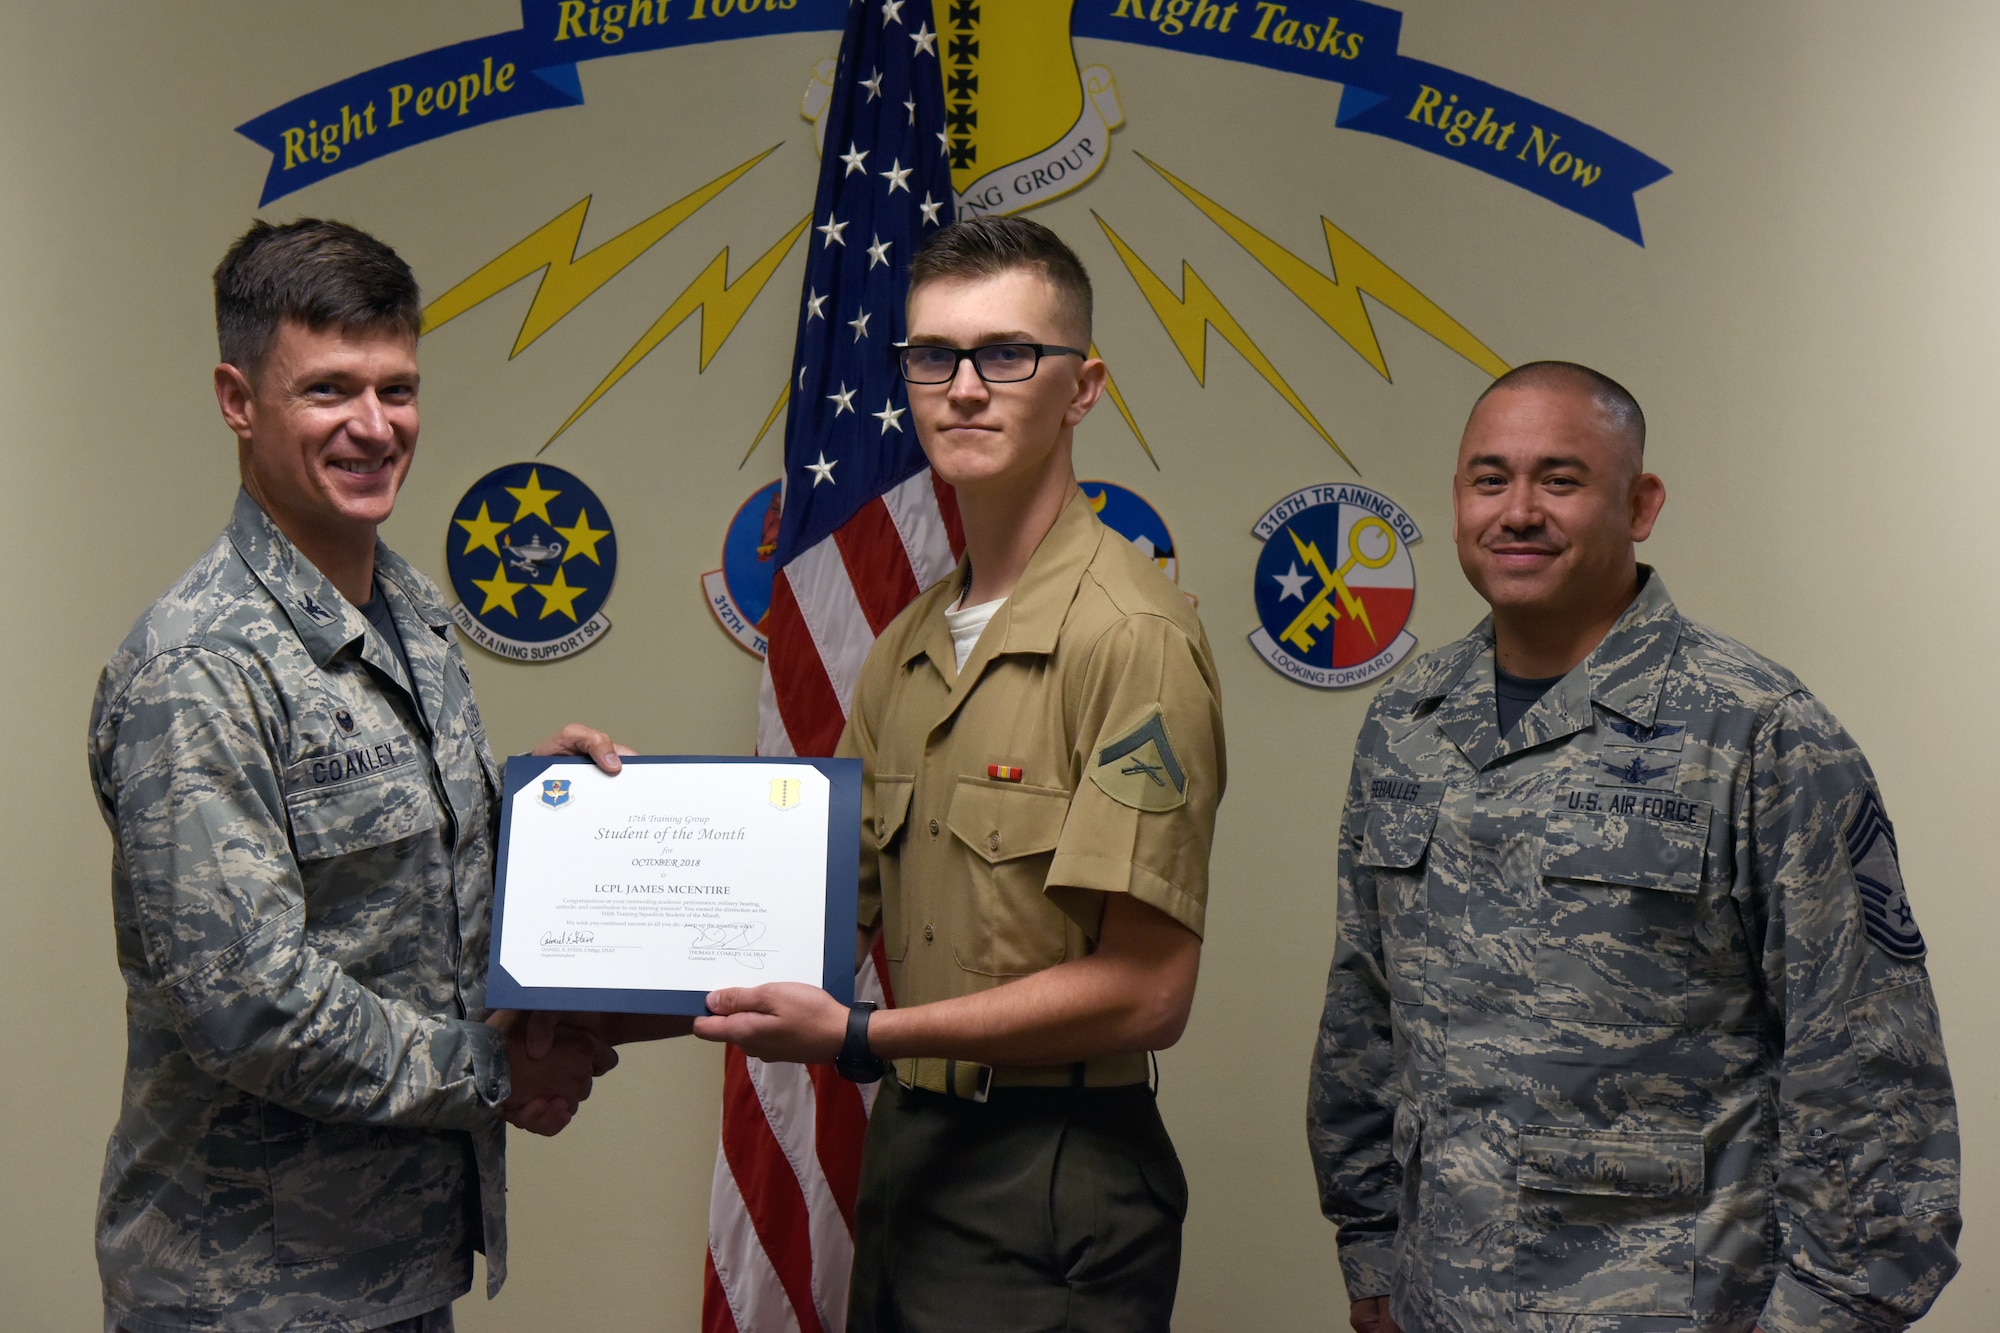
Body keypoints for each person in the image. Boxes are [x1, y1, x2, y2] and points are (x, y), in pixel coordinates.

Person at [1308, 362, 1960, 1333]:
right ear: (1455, 500)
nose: (1517, 510)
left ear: (1639, 502)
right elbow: (1362, 1017)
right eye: (1489, 479)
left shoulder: (1756, 731)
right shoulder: (1407, 722)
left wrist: (1822, 1316)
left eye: (1558, 479)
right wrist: (1368, 1253)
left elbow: (1866, 1069)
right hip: (1440, 1299)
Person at [88, 218, 632, 1333]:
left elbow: (415, 896)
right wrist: (498, 1075)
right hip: (243, 1291)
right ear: (239, 399)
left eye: (398, 389)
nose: (375, 427)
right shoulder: (201, 667)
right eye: (330, 390)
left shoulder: (411, 614)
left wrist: (568, 828)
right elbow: (248, 1003)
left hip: (393, 1263)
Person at [694, 215, 1226, 1331]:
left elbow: (1147, 990)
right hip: (915, 1154)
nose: (964, 387)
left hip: (1052, 1174)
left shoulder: (1129, 633)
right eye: (932, 356)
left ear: (1081, 389)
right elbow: (807, 919)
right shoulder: (909, 643)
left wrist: (858, 1037)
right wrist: (599, 848)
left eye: (1006, 354)